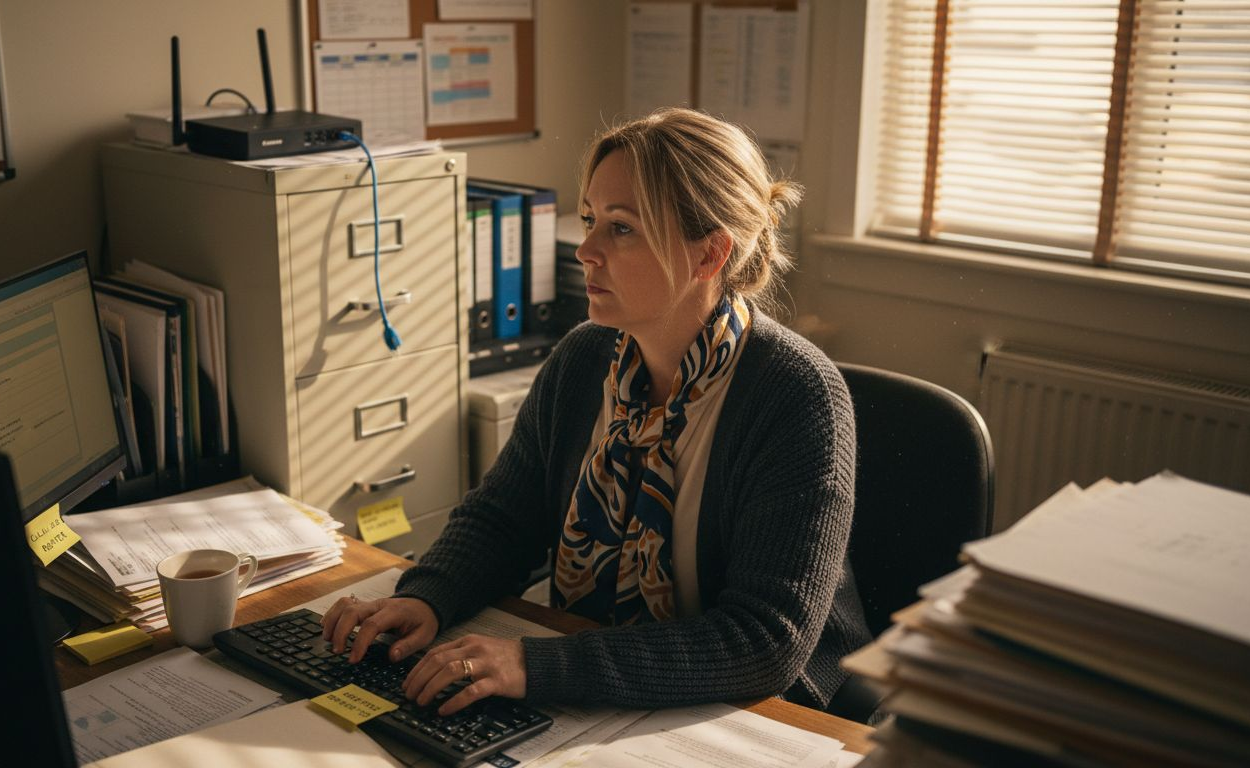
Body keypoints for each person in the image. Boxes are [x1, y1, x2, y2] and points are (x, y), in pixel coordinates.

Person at [323, 107, 871, 717]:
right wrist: (427, 597)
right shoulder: (586, 356)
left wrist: (537, 664)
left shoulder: (796, 395)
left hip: (759, 710)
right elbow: (506, 516)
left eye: (622, 228)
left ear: (710, 255)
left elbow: (764, 642)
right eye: (590, 219)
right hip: (596, 679)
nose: (585, 250)